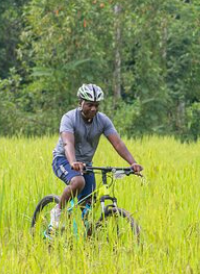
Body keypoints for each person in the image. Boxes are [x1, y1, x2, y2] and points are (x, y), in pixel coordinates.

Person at [49, 84, 143, 233]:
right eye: (89, 105)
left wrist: (133, 163)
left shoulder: (103, 121)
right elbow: (68, 143)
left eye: (96, 105)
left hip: (86, 165)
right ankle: (58, 211)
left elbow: (117, 143)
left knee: (89, 204)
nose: (93, 109)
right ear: (80, 103)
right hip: (64, 159)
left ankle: (87, 240)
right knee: (78, 181)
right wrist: (73, 162)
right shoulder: (69, 118)